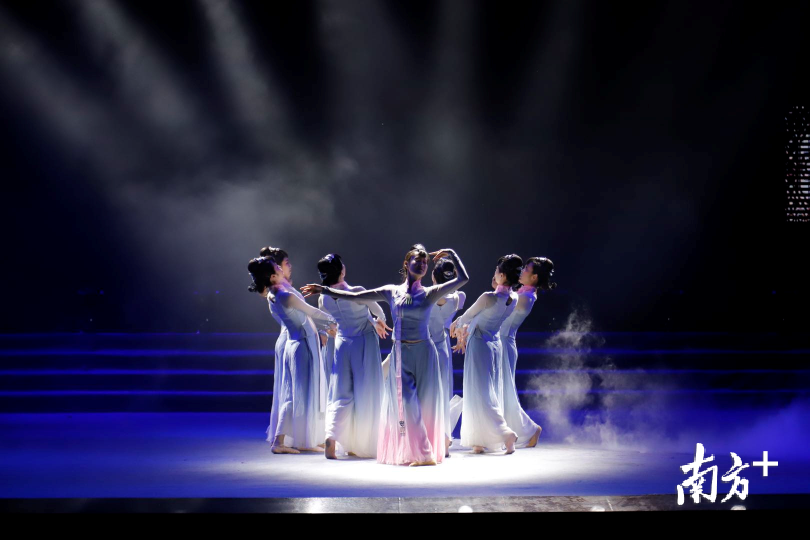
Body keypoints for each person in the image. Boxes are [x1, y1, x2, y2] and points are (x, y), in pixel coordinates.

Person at [301, 245, 469, 466]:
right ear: (406, 264)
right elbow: (356, 296)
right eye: (417, 261)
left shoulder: (430, 293)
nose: (422, 264)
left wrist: (451, 254)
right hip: (401, 353)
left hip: (425, 352)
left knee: (426, 404)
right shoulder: (392, 291)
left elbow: (463, 279)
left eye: (424, 262)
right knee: (407, 404)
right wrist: (325, 290)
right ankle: (424, 453)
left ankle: (423, 451)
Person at [249, 253, 337, 454]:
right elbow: (312, 312)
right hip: (301, 344)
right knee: (294, 394)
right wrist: (335, 321)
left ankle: (303, 439)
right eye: (277, 268)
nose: (281, 269)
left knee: (300, 393)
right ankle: (279, 442)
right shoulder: (283, 295)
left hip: (297, 342)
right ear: (272, 276)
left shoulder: (275, 293)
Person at [315, 253, 392, 459]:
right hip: (364, 343)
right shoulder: (356, 291)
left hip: (342, 344)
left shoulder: (323, 298)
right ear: (342, 270)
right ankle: (363, 443)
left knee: (342, 393)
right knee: (366, 392)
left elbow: (328, 322)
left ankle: (331, 436)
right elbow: (379, 311)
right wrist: (378, 321)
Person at [450, 255, 523, 454]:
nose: (494, 275)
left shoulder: (488, 297)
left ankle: (505, 433)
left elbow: (466, 317)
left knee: (480, 393)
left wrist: (457, 327)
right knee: (485, 391)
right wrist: (463, 329)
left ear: (502, 275)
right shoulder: (513, 298)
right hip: (494, 344)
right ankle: (480, 440)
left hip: (480, 344)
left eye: (496, 272)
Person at [497, 257, 556, 449]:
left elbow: (501, 305)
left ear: (534, 277)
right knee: (501, 390)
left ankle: (529, 429)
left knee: (506, 392)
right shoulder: (521, 292)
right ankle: (506, 431)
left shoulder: (526, 297)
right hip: (500, 341)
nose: (521, 271)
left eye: (526, 269)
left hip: (505, 343)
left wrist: (501, 284)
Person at [427, 257, 466, 453]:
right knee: (442, 392)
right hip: (442, 346)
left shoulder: (425, 296)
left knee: (426, 392)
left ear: (434, 276)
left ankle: (429, 436)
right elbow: (460, 284)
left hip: (425, 344)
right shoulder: (459, 297)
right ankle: (443, 436)